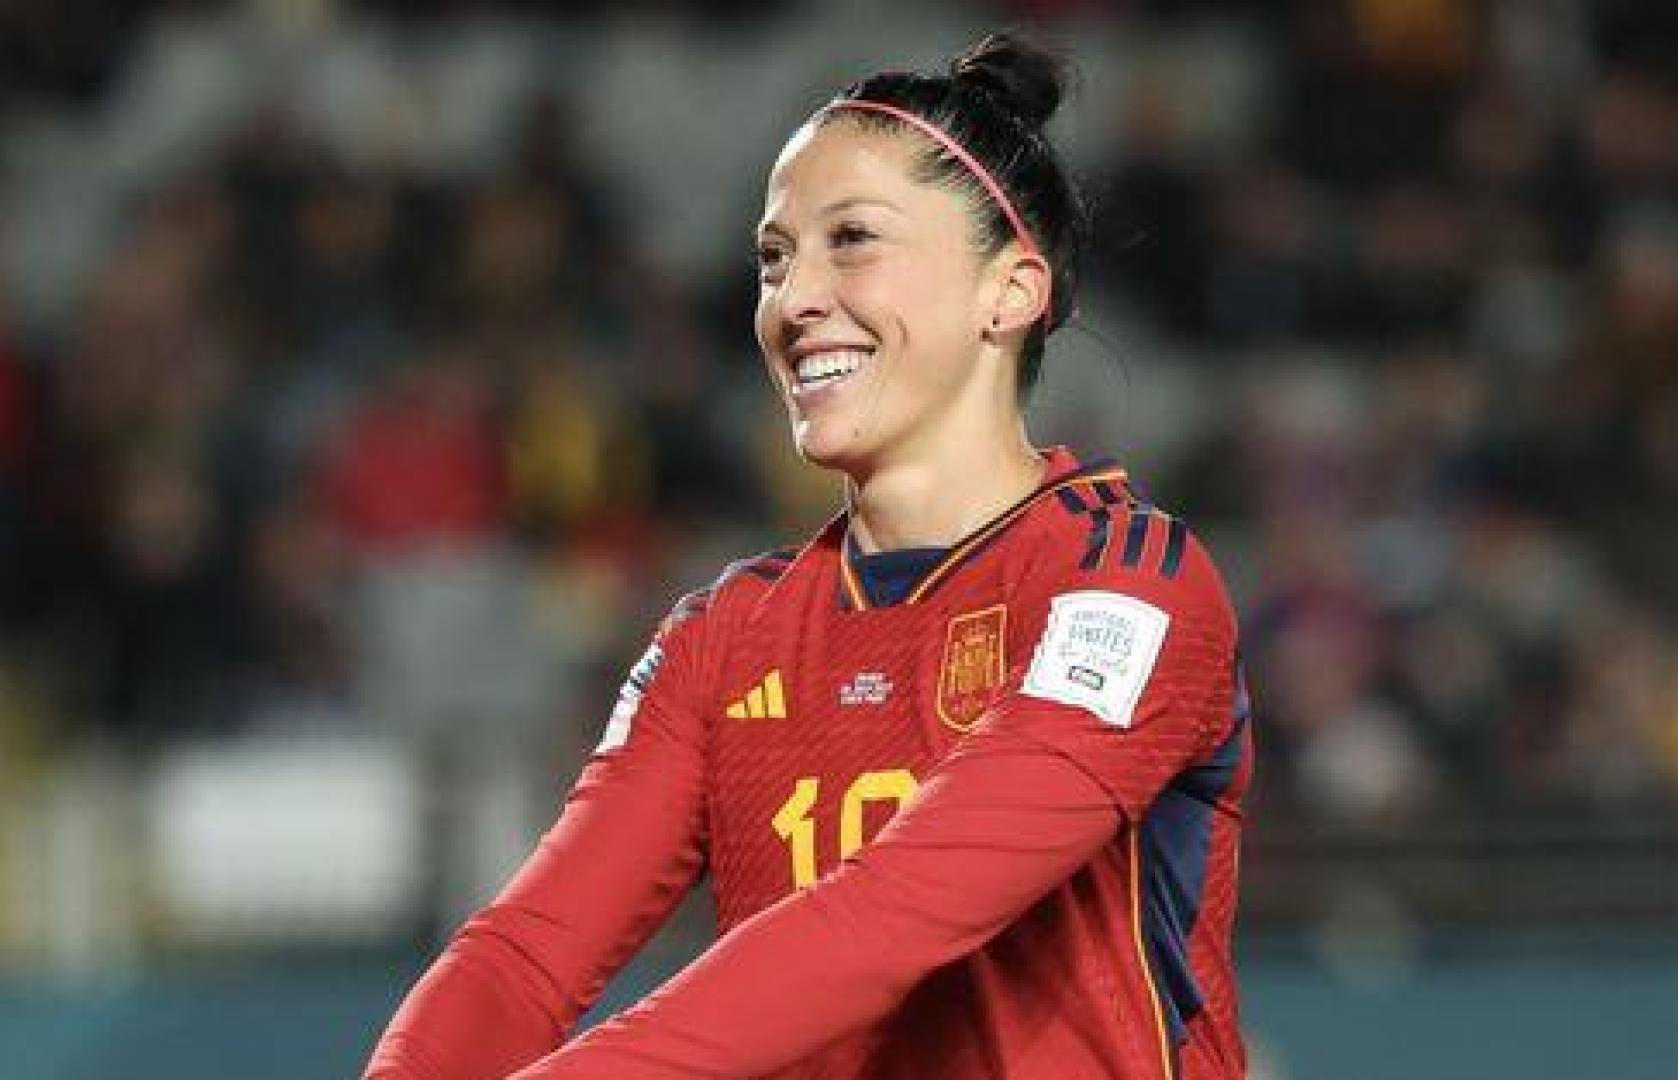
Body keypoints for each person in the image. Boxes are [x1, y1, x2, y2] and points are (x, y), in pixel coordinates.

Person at [364, 31, 1250, 1080]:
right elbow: (525, 956)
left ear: (1009, 292)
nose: (793, 300)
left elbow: (899, 913)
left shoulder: (1127, 585)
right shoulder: (721, 641)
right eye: (773, 259)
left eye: (853, 241)